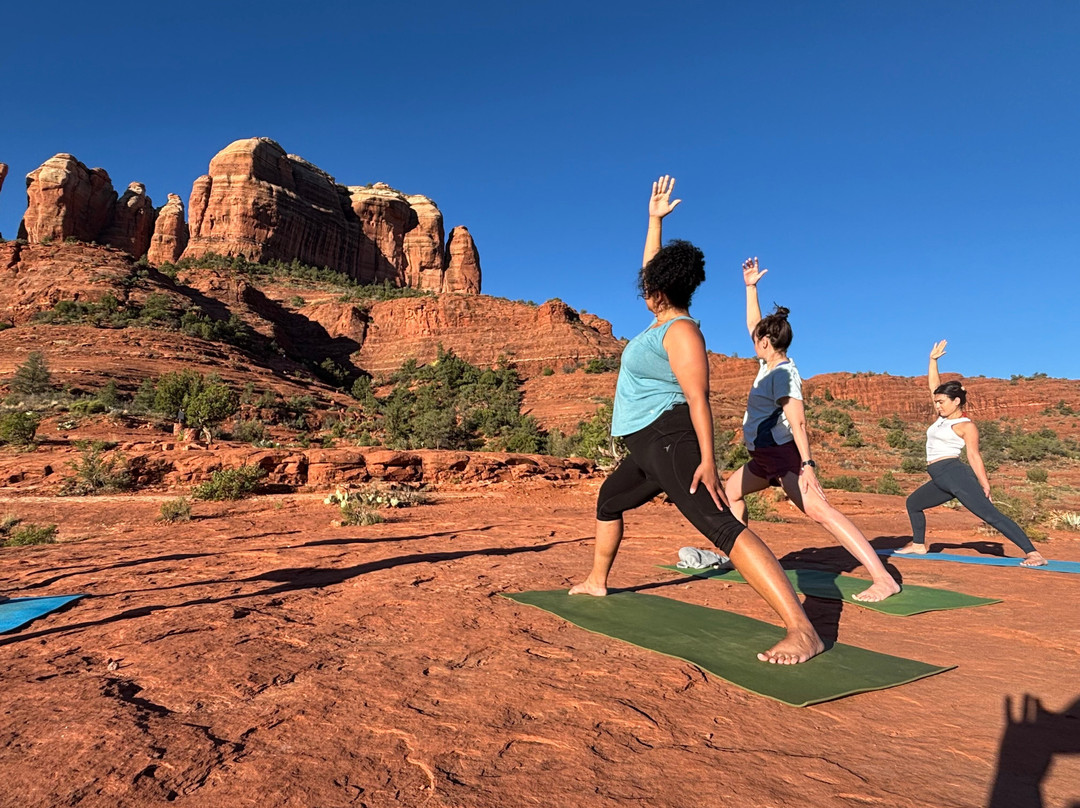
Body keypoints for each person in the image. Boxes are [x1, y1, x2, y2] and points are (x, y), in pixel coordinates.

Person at [570, 176, 824, 665]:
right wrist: (655, 221)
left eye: (649, 285)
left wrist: (708, 461)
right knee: (609, 501)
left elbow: (698, 398)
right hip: (644, 449)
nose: (644, 287)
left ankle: (802, 629)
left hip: (670, 440)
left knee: (721, 526)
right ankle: (598, 582)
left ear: (658, 292)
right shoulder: (660, 321)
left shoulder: (682, 332)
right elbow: (651, 270)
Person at [723, 259, 901, 602]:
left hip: (783, 457)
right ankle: (741, 558)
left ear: (765, 342)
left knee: (822, 513)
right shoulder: (768, 364)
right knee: (731, 493)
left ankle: (883, 577)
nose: (752, 337)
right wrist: (750, 288)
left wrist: (807, 466)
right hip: (762, 458)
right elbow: (753, 323)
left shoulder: (783, 374)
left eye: (756, 336)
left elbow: (799, 421)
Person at [896, 341, 1048, 566]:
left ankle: (1034, 553)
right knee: (914, 503)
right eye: (936, 402)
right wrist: (933, 361)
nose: (937, 406)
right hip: (940, 477)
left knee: (989, 514)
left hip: (954, 474)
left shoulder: (966, 425)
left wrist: (984, 483)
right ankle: (918, 544)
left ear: (956, 401)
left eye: (941, 402)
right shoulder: (941, 419)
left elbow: (974, 456)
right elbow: (934, 386)